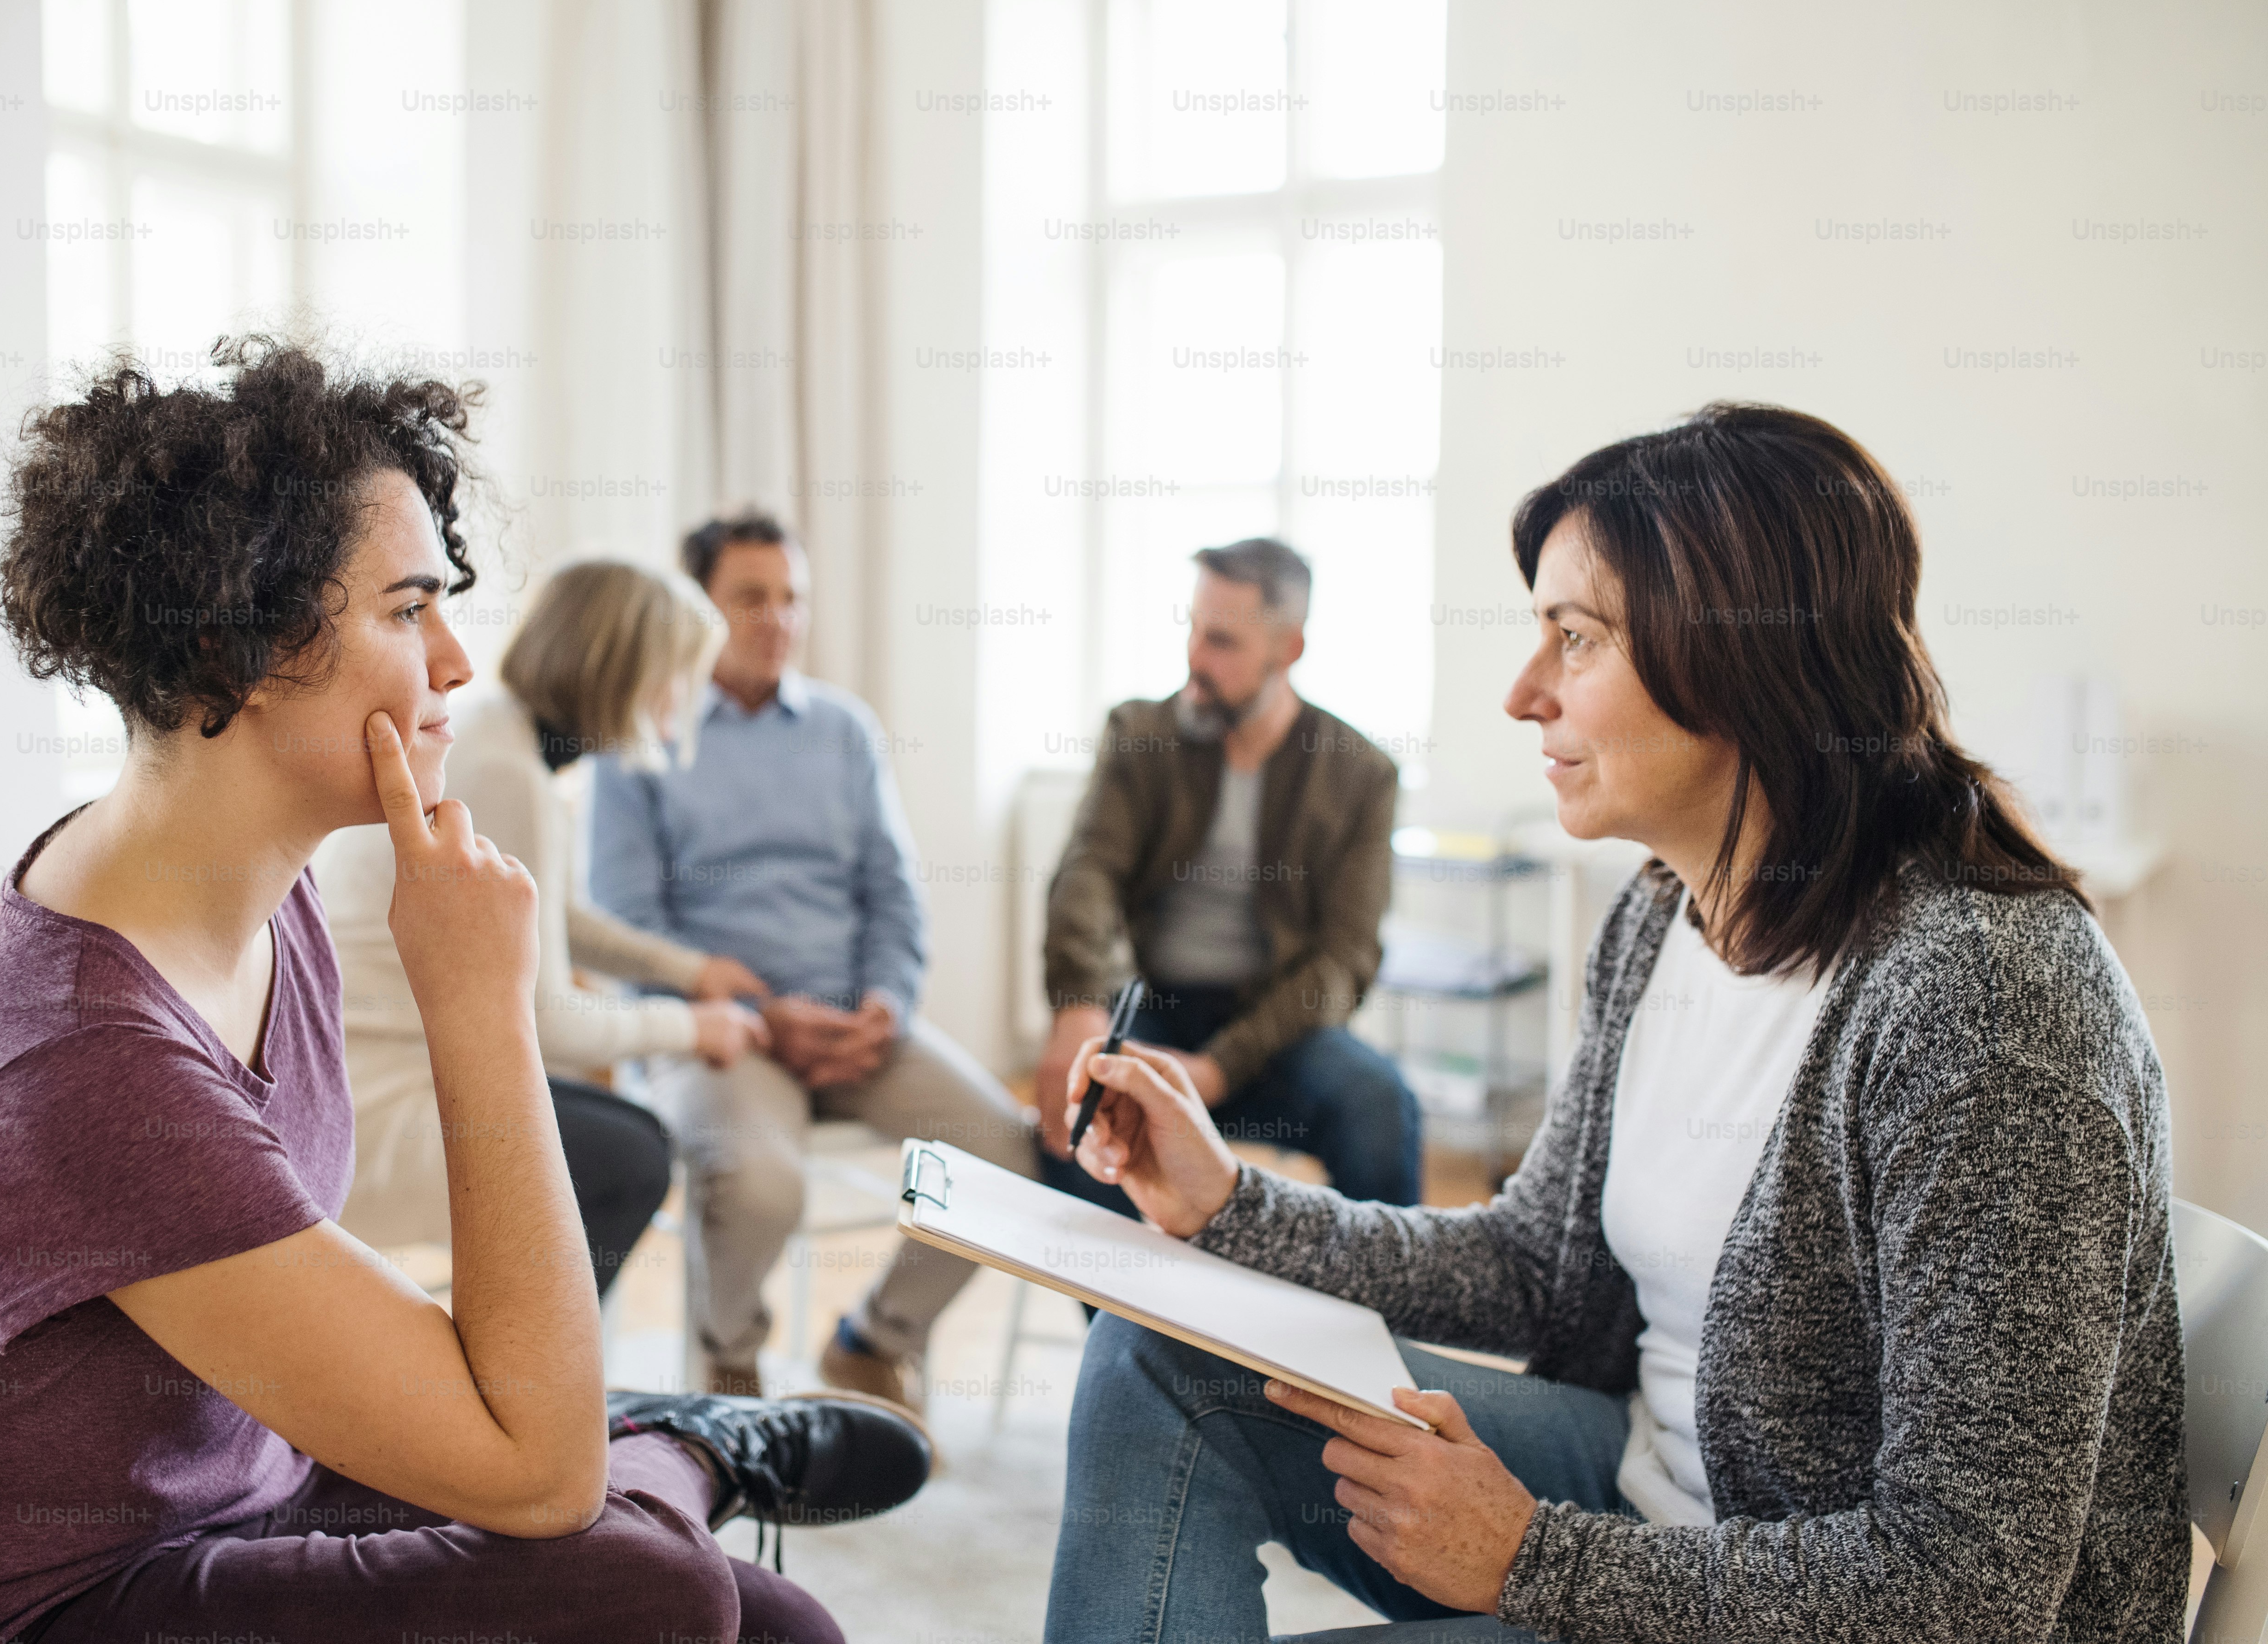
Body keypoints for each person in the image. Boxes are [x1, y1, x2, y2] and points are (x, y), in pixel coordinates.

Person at [0, 341, 928, 1644]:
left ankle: (656, 1445)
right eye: (405, 610)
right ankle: (682, 1449)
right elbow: (540, 1478)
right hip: (38, 1605)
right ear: (240, 651)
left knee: (776, 1626)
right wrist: (482, 1008)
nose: (455, 662)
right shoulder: (73, 1066)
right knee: (651, 1584)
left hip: (230, 1493)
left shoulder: (264, 906)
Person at [1042, 403, 2185, 1643]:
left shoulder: (1983, 1003)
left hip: (1791, 1601)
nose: (1523, 693)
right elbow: (1542, 1269)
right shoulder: (1664, 915)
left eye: (1573, 640)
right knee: (1152, 1360)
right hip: (1653, 1506)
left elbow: (1972, 1587)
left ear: (1738, 658)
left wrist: (1531, 1559)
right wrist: (1227, 1208)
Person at [590, 510, 1040, 1407]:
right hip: (722, 1034)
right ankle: (727, 1357)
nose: (778, 618)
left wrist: (888, 1002)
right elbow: (626, 928)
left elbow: (894, 891)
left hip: (853, 1026)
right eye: (750, 597)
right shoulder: (639, 735)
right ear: (696, 607)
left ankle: (874, 1339)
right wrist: (759, 1019)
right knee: (762, 1184)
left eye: (792, 597)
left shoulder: (844, 730)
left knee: (1004, 1155)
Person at [317, 558, 774, 1295]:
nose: (680, 699)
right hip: (379, 1108)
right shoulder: (510, 775)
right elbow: (553, 1024)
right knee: (632, 1163)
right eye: (674, 676)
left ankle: (532, 1364)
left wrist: (688, 973)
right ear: (625, 674)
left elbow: (548, 912)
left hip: (396, 1069)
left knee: (638, 1134)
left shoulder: (498, 737)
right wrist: (695, 1027)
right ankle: (530, 1379)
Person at [1034, 537, 1423, 1217]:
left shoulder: (1360, 776)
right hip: (1155, 1006)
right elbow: (1089, 872)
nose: (1196, 658)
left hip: (1277, 1029)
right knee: (1086, 1118)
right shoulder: (1141, 735)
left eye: (1223, 641)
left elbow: (1344, 959)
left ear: (1289, 649)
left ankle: (1375, 1324)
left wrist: (1219, 1068)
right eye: (1193, 629)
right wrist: (1077, 1006)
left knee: (1380, 1106)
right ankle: (1142, 1326)